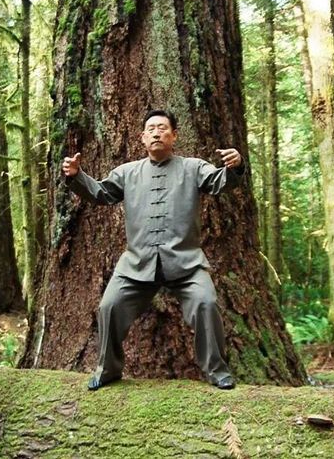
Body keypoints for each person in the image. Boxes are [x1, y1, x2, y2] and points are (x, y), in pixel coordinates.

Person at [62, 109, 244, 391]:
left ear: (174, 136)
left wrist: (235, 167)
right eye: (151, 129)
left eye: (162, 128)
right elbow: (100, 193)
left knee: (206, 303)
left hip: (186, 263)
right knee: (109, 306)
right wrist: (76, 176)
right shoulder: (127, 172)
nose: (156, 132)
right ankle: (108, 369)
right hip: (136, 263)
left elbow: (221, 181)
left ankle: (217, 370)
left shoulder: (194, 167)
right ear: (142, 138)